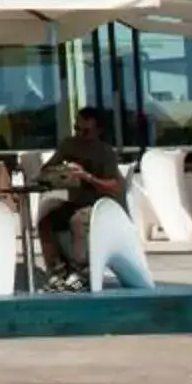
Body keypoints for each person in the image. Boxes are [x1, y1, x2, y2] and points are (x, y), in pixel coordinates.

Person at [35, 107, 128, 287]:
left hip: (101, 205)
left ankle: (82, 272)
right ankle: (57, 271)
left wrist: (87, 177)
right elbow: (45, 170)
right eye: (77, 129)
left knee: (78, 220)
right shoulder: (69, 145)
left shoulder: (105, 153)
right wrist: (60, 173)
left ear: (98, 131)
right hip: (76, 202)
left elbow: (115, 187)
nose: (79, 135)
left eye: (85, 131)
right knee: (46, 221)